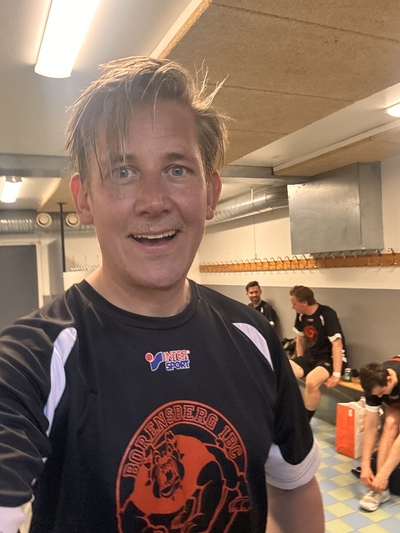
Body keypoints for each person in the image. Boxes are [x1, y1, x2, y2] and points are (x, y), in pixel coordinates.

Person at [0, 57, 324, 533]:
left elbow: (294, 487)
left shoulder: (252, 335)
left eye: (176, 169)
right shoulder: (29, 361)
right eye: (123, 172)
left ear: (210, 193)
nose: (153, 201)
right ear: (84, 199)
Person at [289, 285, 347, 421]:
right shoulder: (301, 315)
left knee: (311, 381)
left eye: (294, 304)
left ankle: (305, 420)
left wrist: (336, 374)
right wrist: (300, 360)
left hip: (329, 359)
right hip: (311, 356)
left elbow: (337, 344)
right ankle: (289, 411)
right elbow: (300, 339)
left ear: (304, 303)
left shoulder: (327, 314)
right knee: (284, 370)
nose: (292, 307)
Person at [358, 357, 400, 511]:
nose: (380, 397)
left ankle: (382, 479)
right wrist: (365, 465)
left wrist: (383, 474)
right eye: (377, 395)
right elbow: (371, 426)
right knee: (390, 422)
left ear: (389, 380)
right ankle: (381, 491)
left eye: (382, 393)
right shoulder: (374, 384)